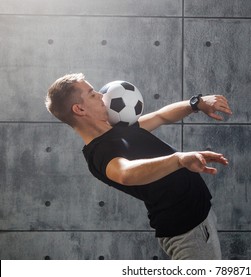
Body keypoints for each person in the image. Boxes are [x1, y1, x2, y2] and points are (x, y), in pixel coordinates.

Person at [45, 73, 232, 260]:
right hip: (187, 231)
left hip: (198, 218)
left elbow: (161, 116)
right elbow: (125, 172)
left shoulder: (118, 130)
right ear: (79, 109)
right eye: (92, 94)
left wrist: (196, 104)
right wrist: (178, 160)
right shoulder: (99, 153)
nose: (102, 96)